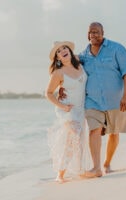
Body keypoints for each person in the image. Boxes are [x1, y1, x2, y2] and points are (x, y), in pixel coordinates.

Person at [79, 22, 126, 177]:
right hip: (93, 102)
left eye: (97, 32)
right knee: (94, 130)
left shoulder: (117, 49)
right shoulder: (83, 56)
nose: (93, 35)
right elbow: (70, 71)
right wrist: (62, 87)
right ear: (87, 34)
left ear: (103, 33)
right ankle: (96, 168)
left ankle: (107, 163)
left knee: (113, 133)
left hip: (116, 100)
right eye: (91, 32)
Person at [45, 41, 91, 183]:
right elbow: (48, 93)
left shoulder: (80, 63)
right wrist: (63, 107)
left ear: (70, 51)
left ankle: (79, 170)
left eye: (65, 48)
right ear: (57, 58)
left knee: (80, 139)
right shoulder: (58, 73)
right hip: (67, 110)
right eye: (59, 51)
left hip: (81, 108)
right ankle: (60, 174)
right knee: (72, 138)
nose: (63, 51)